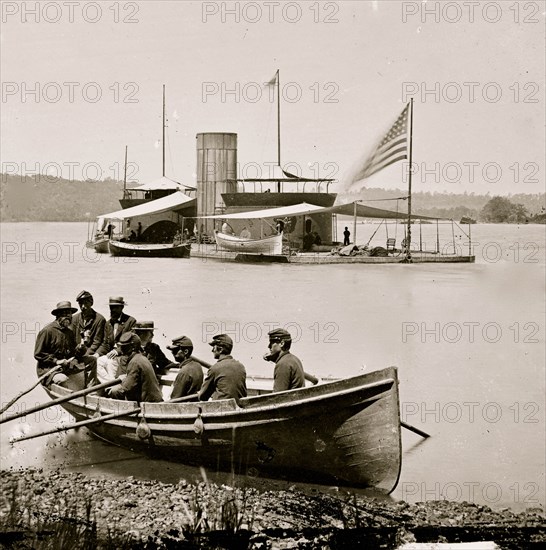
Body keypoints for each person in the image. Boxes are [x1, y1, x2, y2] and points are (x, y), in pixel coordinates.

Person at [34, 301, 97, 388]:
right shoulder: (47, 331)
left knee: (92, 360)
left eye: (70, 314)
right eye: (64, 314)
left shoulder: (69, 332)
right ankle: (69, 397)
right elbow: (38, 354)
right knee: (63, 379)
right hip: (49, 369)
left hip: (66, 366)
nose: (68, 317)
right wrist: (56, 361)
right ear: (58, 316)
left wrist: (81, 348)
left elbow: (73, 354)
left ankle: (90, 391)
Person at [106, 332, 163, 402]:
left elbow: (127, 388)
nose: (121, 349)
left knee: (114, 391)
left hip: (148, 403)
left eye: (124, 347)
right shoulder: (140, 358)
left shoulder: (134, 362)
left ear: (132, 347)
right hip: (151, 399)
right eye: (120, 346)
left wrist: (121, 381)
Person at [198, 334, 247, 403]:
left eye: (214, 347)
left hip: (222, 409)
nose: (212, 350)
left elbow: (203, 396)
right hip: (239, 407)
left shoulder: (215, 368)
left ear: (220, 349)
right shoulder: (241, 366)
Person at [264, 328, 305, 392]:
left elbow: (277, 397)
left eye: (272, 343)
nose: (269, 346)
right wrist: (274, 359)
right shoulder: (294, 359)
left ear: (282, 343)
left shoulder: (282, 364)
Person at [72, 290, 111, 357]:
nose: (83, 307)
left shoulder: (99, 319)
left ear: (91, 303)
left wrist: (86, 355)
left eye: (86, 303)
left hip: (91, 354)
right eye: (81, 304)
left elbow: (97, 342)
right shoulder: (75, 318)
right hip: (76, 353)